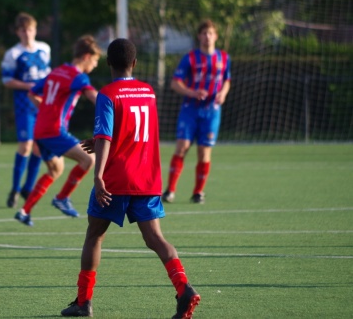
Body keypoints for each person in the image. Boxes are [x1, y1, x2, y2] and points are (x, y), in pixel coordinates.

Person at [60, 38, 200, 319]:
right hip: (146, 178)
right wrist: (98, 140)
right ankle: (183, 288)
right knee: (156, 238)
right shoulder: (148, 92)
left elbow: (107, 136)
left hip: (115, 179)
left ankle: (84, 302)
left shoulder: (107, 94)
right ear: (134, 63)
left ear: (109, 63)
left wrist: (98, 176)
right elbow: (134, 130)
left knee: (94, 235)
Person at [13, 35, 100, 227]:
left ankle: (24, 211)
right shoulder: (78, 76)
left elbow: (32, 92)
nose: (94, 66)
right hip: (54, 130)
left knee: (55, 169)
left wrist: (45, 109)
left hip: (40, 129)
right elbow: (93, 95)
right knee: (89, 159)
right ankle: (62, 197)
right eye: (94, 61)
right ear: (86, 56)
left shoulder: (57, 71)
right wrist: (112, 106)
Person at [162, 19, 231, 204]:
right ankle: (170, 190)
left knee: (203, 152)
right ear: (199, 36)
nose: (207, 37)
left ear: (215, 36)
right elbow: (175, 83)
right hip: (190, 110)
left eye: (210, 33)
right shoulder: (190, 58)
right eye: (204, 33)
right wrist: (192, 92)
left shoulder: (224, 58)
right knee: (182, 147)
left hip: (212, 112)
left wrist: (223, 94)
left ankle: (198, 192)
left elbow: (226, 80)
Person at [1, 12, 51, 208]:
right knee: (26, 145)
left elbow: (47, 75)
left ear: (35, 30)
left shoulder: (44, 49)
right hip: (24, 105)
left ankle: (27, 188)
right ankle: (14, 189)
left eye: (30, 29)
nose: (27, 33)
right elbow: (7, 81)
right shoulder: (13, 53)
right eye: (23, 30)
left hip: (42, 105)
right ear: (17, 32)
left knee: (39, 147)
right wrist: (29, 86)